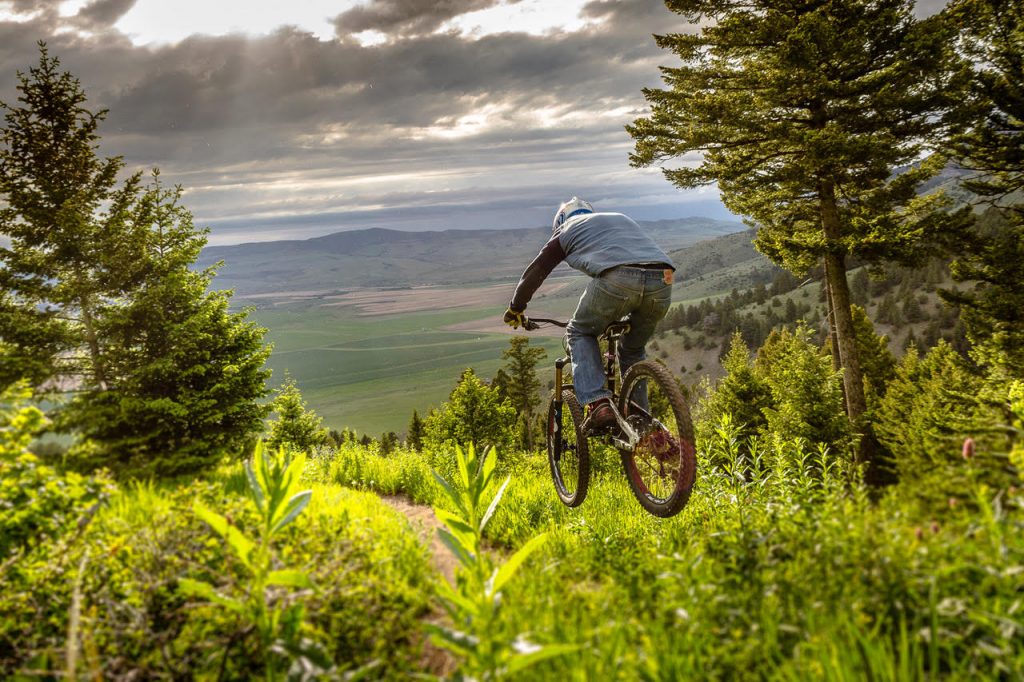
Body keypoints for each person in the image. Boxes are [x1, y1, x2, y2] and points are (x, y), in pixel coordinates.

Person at [504, 197, 675, 434]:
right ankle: (641, 420)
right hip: (663, 278)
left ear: (560, 221)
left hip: (617, 279)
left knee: (579, 332)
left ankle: (597, 403)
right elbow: (640, 263)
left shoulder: (566, 230)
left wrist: (516, 307)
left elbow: (536, 271)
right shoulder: (619, 218)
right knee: (633, 351)